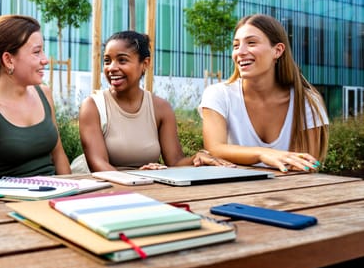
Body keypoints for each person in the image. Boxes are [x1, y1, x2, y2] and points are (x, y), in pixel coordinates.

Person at [78, 30, 232, 172]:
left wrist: (198, 158)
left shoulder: (160, 108)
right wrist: (140, 179)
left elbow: (175, 162)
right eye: (107, 61)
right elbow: (98, 165)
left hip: (144, 188)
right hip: (100, 189)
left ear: (145, 64)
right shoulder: (93, 106)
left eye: (122, 60)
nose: (111, 68)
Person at [199, 14, 329, 173]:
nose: (240, 52)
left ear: (278, 50)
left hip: (290, 190)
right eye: (236, 45)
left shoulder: (307, 100)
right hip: (231, 191)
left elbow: (304, 165)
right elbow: (214, 149)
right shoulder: (218, 94)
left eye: (251, 43)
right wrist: (264, 154)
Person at [0, 14, 71, 178]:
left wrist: (71, 195)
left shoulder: (44, 93)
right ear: (8, 60)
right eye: (37, 52)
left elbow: (58, 154)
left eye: (43, 51)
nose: (45, 60)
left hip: (53, 197)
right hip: (7, 202)